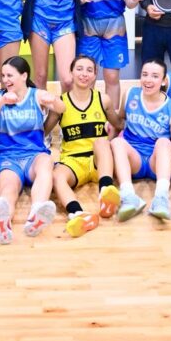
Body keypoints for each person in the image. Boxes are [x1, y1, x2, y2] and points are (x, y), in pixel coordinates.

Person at [0, 56, 64, 244]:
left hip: (34, 156)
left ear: (24, 76)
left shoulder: (36, 95)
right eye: (3, 75)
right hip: (9, 157)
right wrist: (2, 101)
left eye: (10, 75)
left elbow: (62, 108)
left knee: (46, 163)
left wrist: (53, 100)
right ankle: (3, 223)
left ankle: (36, 213)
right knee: (9, 189)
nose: (5, 80)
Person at [49, 55, 121, 237]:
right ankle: (78, 214)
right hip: (73, 161)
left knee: (102, 141)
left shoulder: (103, 100)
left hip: (98, 161)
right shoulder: (61, 103)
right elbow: (42, 131)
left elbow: (119, 124)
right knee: (56, 176)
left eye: (89, 70)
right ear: (71, 73)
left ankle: (106, 191)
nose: (84, 74)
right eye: (79, 69)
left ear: (95, 75)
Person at [111, 59, 171, 222]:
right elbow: (120, 121)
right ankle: (129, 197)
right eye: (145, 74)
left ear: (164, 81)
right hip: (134, 159)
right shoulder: (130, 94)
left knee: (164, 142)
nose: (148, 80)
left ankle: (161, 198)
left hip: (157, 161)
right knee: (117, 142)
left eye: (155, 76)